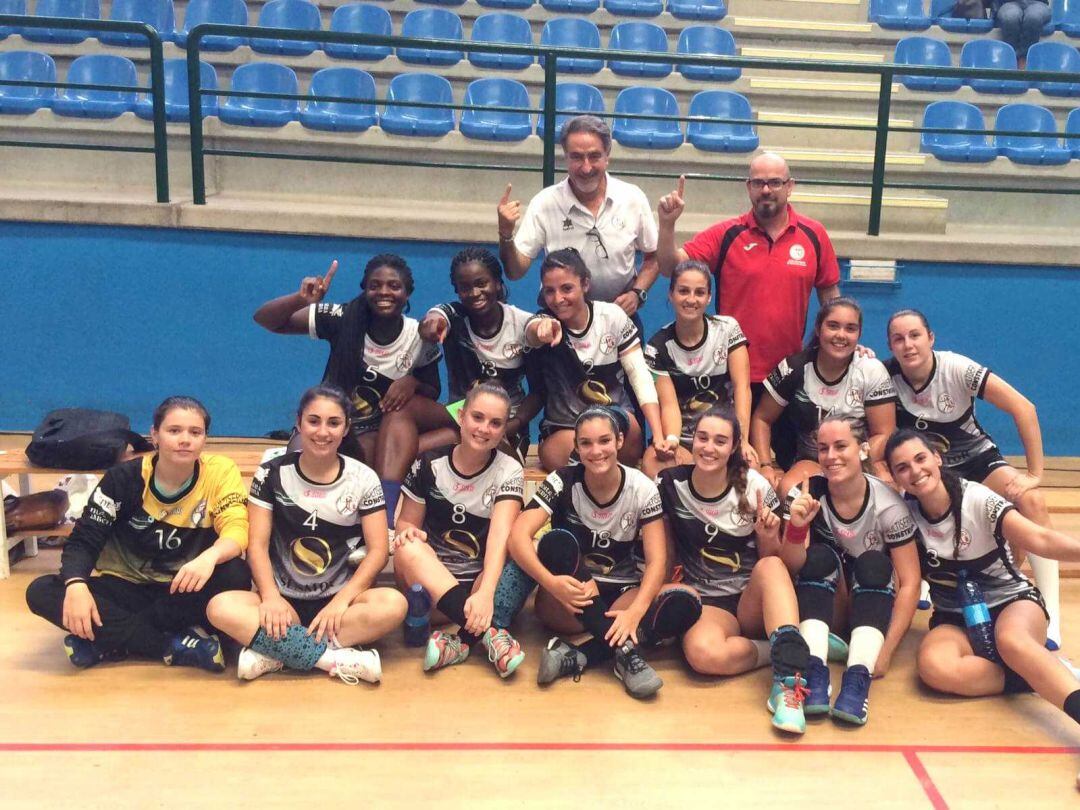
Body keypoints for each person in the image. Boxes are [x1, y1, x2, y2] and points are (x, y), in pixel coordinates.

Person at [884, 429, 1080, 788]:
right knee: (934, 668)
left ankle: (1047, 678)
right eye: (902, 467)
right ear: (895, 478)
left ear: (937, 458)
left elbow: (1039, 538)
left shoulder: (978, 499)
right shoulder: (903, 515)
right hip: (953, 616)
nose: (914, 471)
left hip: (1011, 601)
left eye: (920, 459)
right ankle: (1039, 673)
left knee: (1013, 643)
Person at [25, 396, 250, 672]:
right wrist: (76, 584)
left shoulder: (220, 472)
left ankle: (108, 641)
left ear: (205, 438)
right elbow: (84, 539)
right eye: (174, 430)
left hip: (183, 589)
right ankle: (170, 646)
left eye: (195, 432)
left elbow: (237, 531)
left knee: (235, 573)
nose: (185, 440)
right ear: (155, 435)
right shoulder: (122, 480)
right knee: (41, 591)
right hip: (127, 588)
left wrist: (210, 557)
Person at [885, 309, 1063, 647]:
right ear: (890, 346)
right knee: (890, 499)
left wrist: (1034, 474)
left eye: (915, 335)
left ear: (931, 338)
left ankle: (1049, 615)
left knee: (1031, 501)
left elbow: (1023, 408)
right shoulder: (883, 375)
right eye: (898, 338)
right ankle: (926, 579)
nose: (908, 345)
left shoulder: (957, 368)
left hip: (976, 461)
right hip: (927, 471)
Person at [206, 386, 406, 684]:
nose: (322, 432)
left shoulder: (363, 478)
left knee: (394, 604)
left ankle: (276, 653)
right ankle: (334, 659)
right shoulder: (270, 473)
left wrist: (342, 601)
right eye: (314, 421)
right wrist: (271, 597)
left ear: (346, 427)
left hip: (338, 605)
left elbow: (378, 551)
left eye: (333, 423)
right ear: (299, 423)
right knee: (219, 607)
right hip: (282, 603)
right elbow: (257, 545)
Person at [656, 153, 841, 467]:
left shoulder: (813, 235)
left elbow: (832, 299)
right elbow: (668, 267)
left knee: (790, 467)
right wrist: (667, 225)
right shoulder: (727, 234)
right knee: (737, 466)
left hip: (787, 379)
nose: (766, 189)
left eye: (774, 182)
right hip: (732, 378)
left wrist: (845, 343)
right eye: (758, 183)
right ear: (748, 187)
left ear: (790, 186)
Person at [253, 253, 450, 527]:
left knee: (361, 468)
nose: (384, 292)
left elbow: (432, 390)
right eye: (375, 285)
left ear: (407, 293)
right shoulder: (343, 317)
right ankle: (289, 529)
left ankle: (377, 524)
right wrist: (301, 300)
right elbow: (265, 319)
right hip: (331, 421)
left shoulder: (417, 335)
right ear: (365, 289)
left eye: (394, 286)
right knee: (300, 461)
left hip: (373, 432)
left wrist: (413, 382)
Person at [654, 405, 813, 734]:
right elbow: (663, 551)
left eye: (720, 441)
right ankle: (783, 646)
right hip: (710, 602)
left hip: (752, 599)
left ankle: (789, 682)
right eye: (702, 438)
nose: (708, 448)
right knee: (702, 655)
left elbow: (780, 562)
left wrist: (767, 536)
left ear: (735, 447)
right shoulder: (669, 483)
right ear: (691, 439)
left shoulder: (755, 487)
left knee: (770, 565)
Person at [508, 407, 667, 699]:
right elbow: (518, 536)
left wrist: (636, 611)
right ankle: (625, 653)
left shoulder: (643, 488)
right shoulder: (561, 479)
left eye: (604, 441)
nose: (596, 451)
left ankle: (575, 655)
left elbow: (658, 560)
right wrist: (551, 583)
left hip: (619, 593)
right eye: (586, 443)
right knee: (555, 543)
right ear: (577, 447)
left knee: (672, 604)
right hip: (567, 601)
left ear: (620, 441)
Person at [781, 416, 921, 726]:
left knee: (874, 563)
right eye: (822, 448)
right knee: (816, 557)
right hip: (826, 601)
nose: (830, 456)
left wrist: (887, 651)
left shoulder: (888, 505)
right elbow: (790, 566)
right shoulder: (805, 493)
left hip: (871, 606)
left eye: (841, 446)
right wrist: (795, 528)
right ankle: (815, 672)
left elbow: (911, 582)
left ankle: (858, 679)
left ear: (862, 450)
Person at [392, 382, 528, 678]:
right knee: (407, 545)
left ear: (504, 430)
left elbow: (500, 537)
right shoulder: (428, 462)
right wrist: (407, 532)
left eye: (495, 423)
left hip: (478, 593)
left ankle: (460, 642)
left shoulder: (509, 469)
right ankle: (492, 636)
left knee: (518, 553)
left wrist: (486, 593)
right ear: (461, 417)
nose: (484, 429)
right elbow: (405, 523)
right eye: (477, 418)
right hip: (430, 588)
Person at [497, 115, 659, 316]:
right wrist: (505, 234)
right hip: (561, 318)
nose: (586, 167)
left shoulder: (632, 198)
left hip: (619, 317)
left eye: (594, 156)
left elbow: (654, 258)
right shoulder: (545, 202)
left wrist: (637, 293)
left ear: (607, 156)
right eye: (576, 157)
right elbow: (515, 271)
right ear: (565, 156)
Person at [523, 248, 664, 471]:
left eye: (567, 288)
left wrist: (658, 435)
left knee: (611, 434)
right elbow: (532, 330)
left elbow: (640, 376)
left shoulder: (612, 317)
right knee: (570, 451)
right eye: (550, 291)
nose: (558, 299)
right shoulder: (543, 321)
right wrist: (541, 331)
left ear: (585, 284)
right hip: (565, 430)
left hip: (618, 427)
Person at [752, 297, 897, 497]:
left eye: (850, 328)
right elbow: (762, 418)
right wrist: (765, 465)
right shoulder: (794, 367)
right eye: (833, 326)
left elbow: (884, 433)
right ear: (819, 329)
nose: (841, 335)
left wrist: (850, 461)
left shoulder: (871, 370)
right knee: (790, 491)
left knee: (889, 490)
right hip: (811, 460)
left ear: (859, 335)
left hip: (861, 460)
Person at [417, 247, 542, 462]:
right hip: (460, 416)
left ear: (497, 283)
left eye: (481, 283)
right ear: (457, 290)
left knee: (426, 450)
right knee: (411, 431)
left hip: (504, 424)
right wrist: (430, 326)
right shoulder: (453, 317)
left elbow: (539, 391)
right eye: (465, 287)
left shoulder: (520, 323)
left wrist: (512, 425)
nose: (474, 293)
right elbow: (434, 318)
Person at [642, 260, 754, 477]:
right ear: (671, 294)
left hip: (724, 437)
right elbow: (669, 406)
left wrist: (741, 441)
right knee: (653, 464)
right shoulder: (657, 347)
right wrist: (672, 441)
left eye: (699, 292)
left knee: (749, 470)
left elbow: (742, 388)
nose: (691, 299)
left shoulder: (728, 329)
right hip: (686, 442)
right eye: (683, 291)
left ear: (709, 297)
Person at [993, 0, 1051, 65]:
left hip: (1039, 3)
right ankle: (1012, 57)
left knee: (1033, 17)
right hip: (1009, 3)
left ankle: (1025, 59)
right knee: (1010, 18)